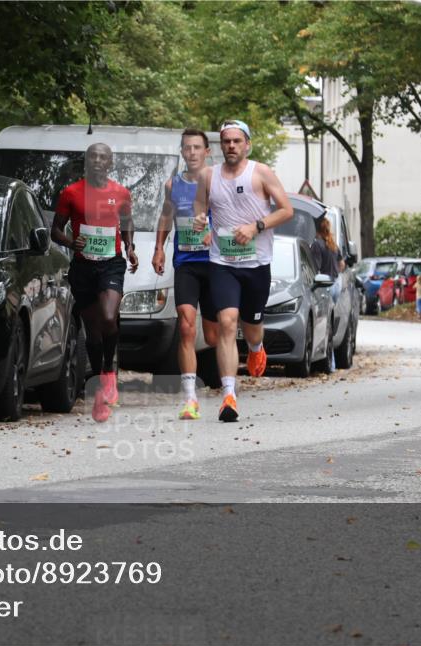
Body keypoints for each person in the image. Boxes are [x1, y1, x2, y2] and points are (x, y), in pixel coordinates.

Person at [193, 120, 294, 422]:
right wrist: (200, 223)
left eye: (237, 141)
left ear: (247, 144)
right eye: (227, 142)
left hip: (256, 265)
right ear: (221, 146)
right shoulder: (208, 176)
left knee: (251, 326)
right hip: (222, 262)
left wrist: (256, 226)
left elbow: (286, 209)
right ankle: (228, 395)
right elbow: (200, 210)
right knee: (226, 322)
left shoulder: (261, 172)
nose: (232, 146)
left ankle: (256, 346)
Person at [50, 143, 139, 422]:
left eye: (103, 157)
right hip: (83, 266)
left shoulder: (121, 193)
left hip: (111, 264)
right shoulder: (71, 193)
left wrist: (130, 247)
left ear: (110, 163)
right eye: (93, 157)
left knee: (109, 316)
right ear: (86, 162)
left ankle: (110, 372)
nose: (98, 161)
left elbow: (127, 222)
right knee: (92, 329)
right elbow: (56, 230)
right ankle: (101, 375)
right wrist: (69, 241)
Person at [153, 129, 220, 420]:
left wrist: (213, 233)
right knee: (186, 327)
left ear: (207, 152)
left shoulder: (219, 183)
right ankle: (190, 397)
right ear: (182, 153)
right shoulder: (173, 184)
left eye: (197, 147)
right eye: (187, 148)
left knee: (216, 335)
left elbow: (235, 217)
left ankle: (223, 380)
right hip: (186, 264)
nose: (191, 152)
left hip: (217, 264)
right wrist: (159, 248)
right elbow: (166, 215)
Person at [310, 216, 345, 303]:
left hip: (324, 285)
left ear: (315, 229)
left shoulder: (316, 244)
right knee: (331, 313)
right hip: (336, 283)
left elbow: (315, 267)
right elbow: (342, 264)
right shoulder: (333, 244)